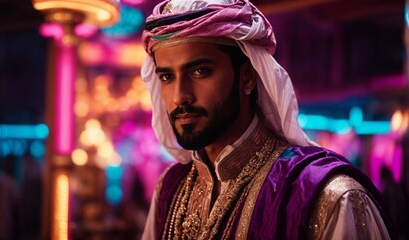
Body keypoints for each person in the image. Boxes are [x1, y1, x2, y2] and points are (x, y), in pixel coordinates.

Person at [140, 0, 393, 239]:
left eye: (200, 71)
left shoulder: (329, 197)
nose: (179, 97)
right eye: (167, 77)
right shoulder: (171, 189)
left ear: (248, 76)